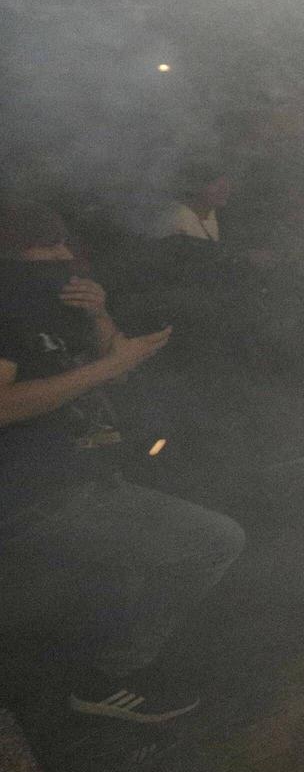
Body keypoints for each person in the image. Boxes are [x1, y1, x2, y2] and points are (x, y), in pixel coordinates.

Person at [0, 201, 244, 723]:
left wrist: (98, 316)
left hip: (85, 475)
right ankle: (110, 677)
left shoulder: (48, 302)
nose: (65, 262)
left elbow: (117, 368)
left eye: (67, 251)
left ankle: (110, 654)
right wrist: (111, 364)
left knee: (175, 534)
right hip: (34, 498)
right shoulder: (7, 305)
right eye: (49, 253)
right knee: (213, 540)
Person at [157, 159, 232, 242]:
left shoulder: (224, 219)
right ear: (195, 187)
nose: (225, 190)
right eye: (216, 184)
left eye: (227, 184)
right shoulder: (174, 220)